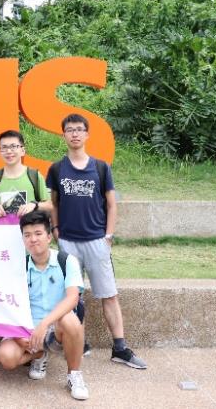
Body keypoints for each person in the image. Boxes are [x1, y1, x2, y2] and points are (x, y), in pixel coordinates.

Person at [46, 113, 147, 370]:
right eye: (70, 130)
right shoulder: (57, 169)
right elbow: (54, 203)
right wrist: (56, 230)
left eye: (79, 129)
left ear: (87, 134)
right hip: (68, 243)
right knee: (72, 297)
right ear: (63, 135)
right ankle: (78, 342)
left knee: (109, 295)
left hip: (96, 241)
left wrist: (108, 236)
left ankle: (120, 348)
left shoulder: (101, 167)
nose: (75, 134)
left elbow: (112, 204)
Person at [0, 210, 89, 401]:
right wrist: (19, 335)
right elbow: (8, 305)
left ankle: (74, 375)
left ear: (49, 237)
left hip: (57, 327)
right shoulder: (18, 266)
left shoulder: (67, 261)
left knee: (70, 319)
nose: (33, 239)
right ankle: (39, 354)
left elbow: (72, 298)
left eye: (38, 233)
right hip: (27, 328)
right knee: (7, 358)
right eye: (27, 235)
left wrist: (44, 324)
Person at [0, 130, 52, 219]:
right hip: (5, 226)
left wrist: (34, 205)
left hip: (30, 226)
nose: (9, 151)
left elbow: (50, 206)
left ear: (23, 151)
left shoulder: (34, 175)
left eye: (13, 146)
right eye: (4, 147)